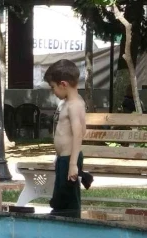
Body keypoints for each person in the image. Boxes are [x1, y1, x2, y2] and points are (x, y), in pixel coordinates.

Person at [44, 59, 88, 218]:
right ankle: (60, 219)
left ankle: (71, 224)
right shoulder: (68, 103)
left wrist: (72, 164)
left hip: (70, 159)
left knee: (68, 197)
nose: (53, 91)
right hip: (64, 158)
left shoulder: (74, 104)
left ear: (63, 84)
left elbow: (78, 134)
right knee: (61, 193)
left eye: (53, 87)